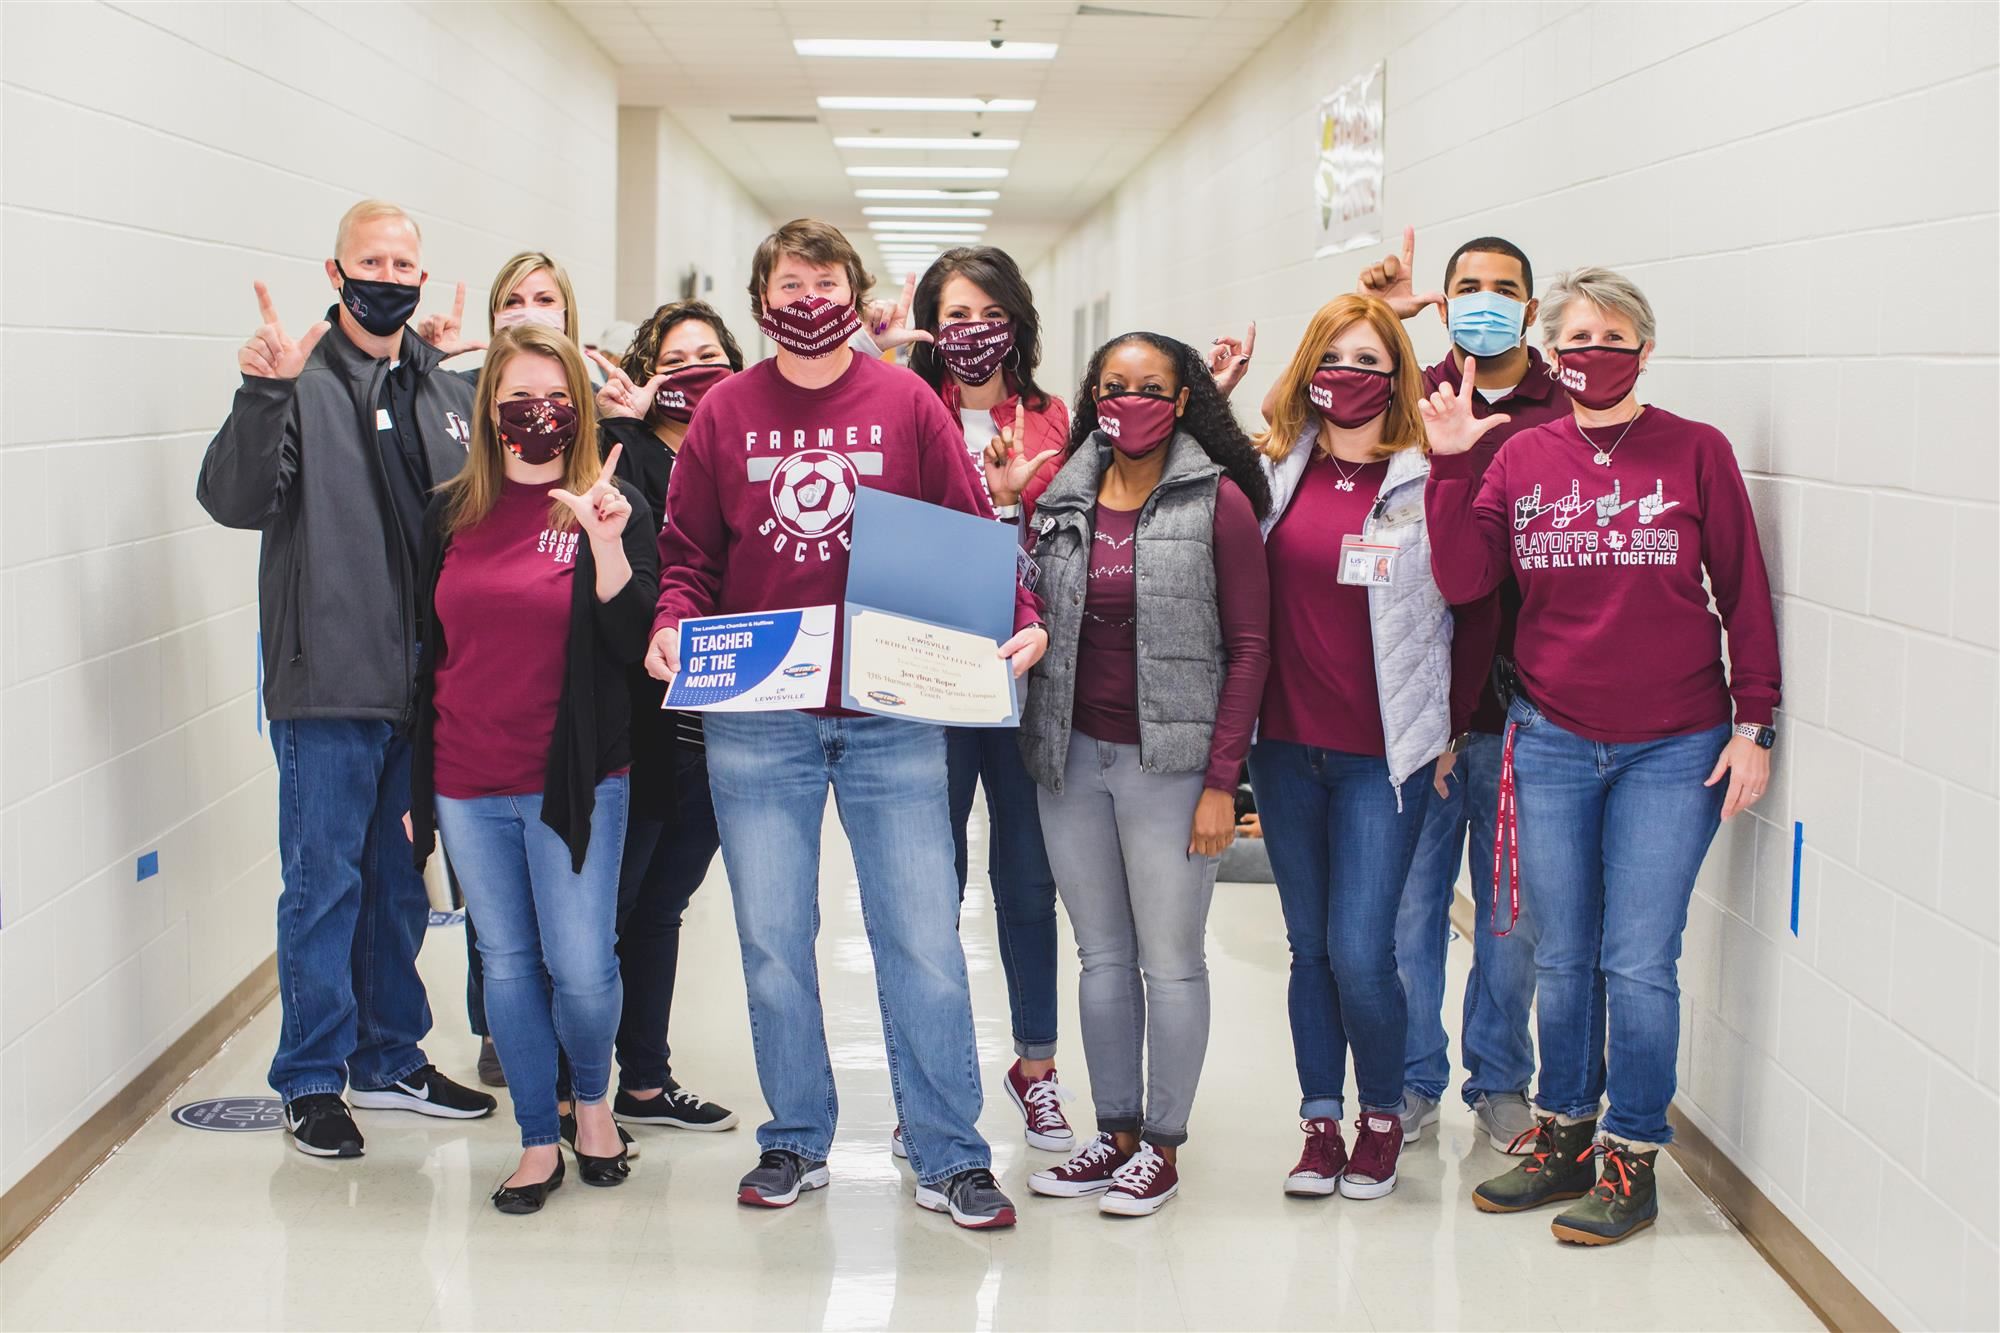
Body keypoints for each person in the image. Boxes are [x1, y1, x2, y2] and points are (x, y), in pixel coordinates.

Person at [644, 219, 1047, 1230]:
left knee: (920, 939)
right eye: (792, 281)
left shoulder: (905, 402)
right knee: (773, 940)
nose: (810, 296)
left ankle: (951, 1153)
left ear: (853, 291)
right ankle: (793, 1138)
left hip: (889, 713)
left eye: (827, 280)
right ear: (762, 297)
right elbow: (688, 552)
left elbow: (965, 532)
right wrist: (669, 624)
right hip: (760, 720)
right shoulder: (725, 413)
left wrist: (1022, 620)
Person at [1424, 267, 1779, 1245]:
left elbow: (1743, 594)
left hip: (1675, 746)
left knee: (1636, 960)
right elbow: (1463, 582)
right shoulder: (1518, 457)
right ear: (1550, 353)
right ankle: (1563, 1135)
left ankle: (1630, 1156)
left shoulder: (1693, 452)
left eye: (1609, 337)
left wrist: (1755, 726)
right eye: (1571, 338)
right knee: (1562, 951)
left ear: (1643, 349)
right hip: (1548, 738)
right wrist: (1453, 465)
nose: (1590, 353)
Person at [198, 200, 497, 1160]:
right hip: (327, 681)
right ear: (335, 272)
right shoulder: (300, 378)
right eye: (371, 258)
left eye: (404, 261)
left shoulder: (434, 387)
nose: (391, 274)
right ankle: (314, 1076)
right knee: (322, 882)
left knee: (397, 883)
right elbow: (234, 500)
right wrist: (262, 394)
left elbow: (464, 519)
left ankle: (388, 1053)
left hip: (420, 683)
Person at [1017, 332, 1271, 1217]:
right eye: (1115, 385)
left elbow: (1249, 648)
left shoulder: (1218, 500)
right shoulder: (1057, 494)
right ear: (1093, 392)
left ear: (1185, 398)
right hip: (1071, 758)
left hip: (1174, 768)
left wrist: (1220, 783)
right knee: (1102, 957)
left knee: (1171, 962)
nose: (1131, 401)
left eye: (1152, 387)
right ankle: (1113, 1130)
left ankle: (1162, 1143)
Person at [1247, 294, 1494, 1202]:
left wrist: (1450, 726)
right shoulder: (1275, 470)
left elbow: (1475, 604)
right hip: (1283, 752)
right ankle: (1319, 1124)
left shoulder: (1427, 478)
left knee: (1362, 948)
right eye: (1333, 357)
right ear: (1310, 368)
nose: (1349, 375)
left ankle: (1382, 1115)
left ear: (1397, 375)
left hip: (1382, 759)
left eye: (1369, 359)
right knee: (1308, 946)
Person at [406, 323, 657, 1213]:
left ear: (580, 409)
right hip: (466, 778)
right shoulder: (451, 511)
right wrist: (416, 795)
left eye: (556, 397)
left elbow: (634, 642)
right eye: (518, 399)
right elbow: (425, 653)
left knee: (584, 964)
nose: (538, 414)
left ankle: (594, 1102)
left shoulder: (609, 501)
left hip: (576, 778)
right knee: (507, 962)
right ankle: (535, 1140)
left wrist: (607, 543)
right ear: (490, 414)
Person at [1357, 229, 1577, 1152]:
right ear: (1442, 302)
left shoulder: (1565, 407)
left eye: (1505, 287)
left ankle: (1499, 1078)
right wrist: (1383, 319)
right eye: (1467, 287)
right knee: (1409, 908)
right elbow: (1317, 419)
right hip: (1415, 707)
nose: (1486, 299)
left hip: (1520, 710)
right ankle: (1411, 1080)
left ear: (1530, 306)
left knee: (1509, 913)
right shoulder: (1409, 394)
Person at [885, 246, 1073, 1157]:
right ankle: (927, 1084)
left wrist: (1015, 503)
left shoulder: (1050, 419)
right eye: (950, 314)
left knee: (1027, 882)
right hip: (924, 677)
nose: (969, 330)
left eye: (985, 310)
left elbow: (1068, 546)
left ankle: (1034, 1069)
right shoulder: (903, 410)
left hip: (1020, 674)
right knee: (929, 888)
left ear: (1015, 320)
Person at [577, 300, 748, 1135]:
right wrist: (625, 425)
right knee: (611, 906)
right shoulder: (626, 459)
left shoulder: (754, 451)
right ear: (648, 376)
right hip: (644, 727)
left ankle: (645, 1078)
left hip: (726, 729)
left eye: (709, 354)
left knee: (663, 905)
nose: (693, 370)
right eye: (674, 358)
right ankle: (585, 1088)